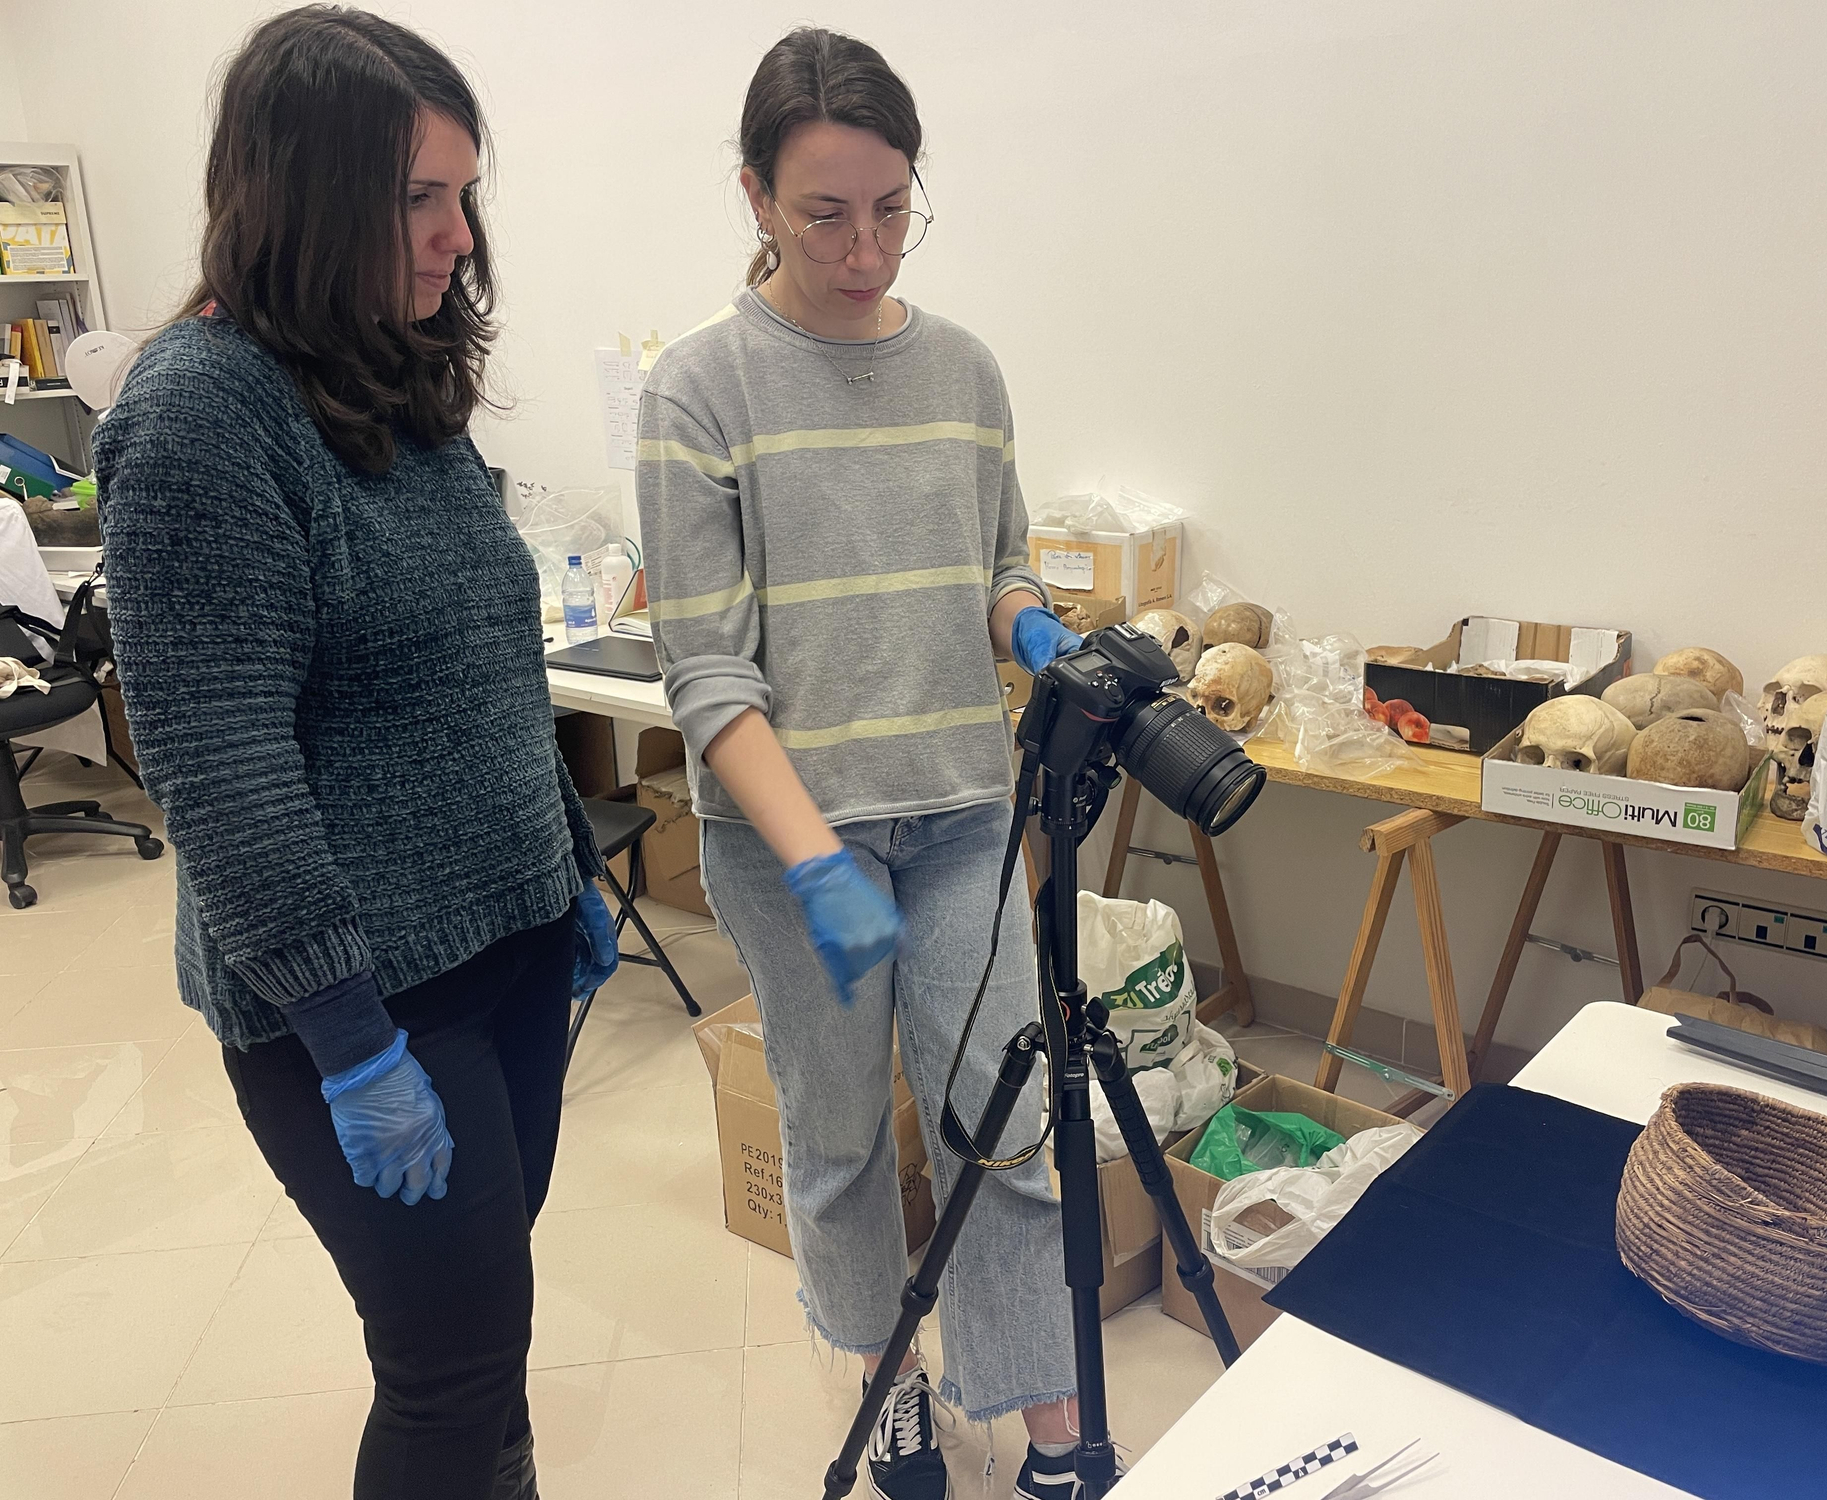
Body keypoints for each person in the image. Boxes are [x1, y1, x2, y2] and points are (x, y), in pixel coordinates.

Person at [94, 9, 614, 1497]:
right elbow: (218, 768)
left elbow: (484, 666)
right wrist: (349, 1039)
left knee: (488, 1340)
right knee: (448, 1379)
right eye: (418, 199)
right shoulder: (202, 417)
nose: (459, 234)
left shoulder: (396, 372)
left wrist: (567, 864)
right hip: (371, 1007)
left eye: (465, 193)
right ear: (304, 195)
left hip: (503, 950)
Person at [636, 27, 1108, 1500]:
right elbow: (706, 672)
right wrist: (820, 857)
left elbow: (995, 562)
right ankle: (885, 1380)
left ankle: (1039, 1421)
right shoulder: (699, 391)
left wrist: (1030, 625)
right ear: (754, 198)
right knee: (838, 1140)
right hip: (795, 845)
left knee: (1005, 1123)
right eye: (823, 212)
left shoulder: (962, 369)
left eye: (893, 206)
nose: (863, 246)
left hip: (966, 815)